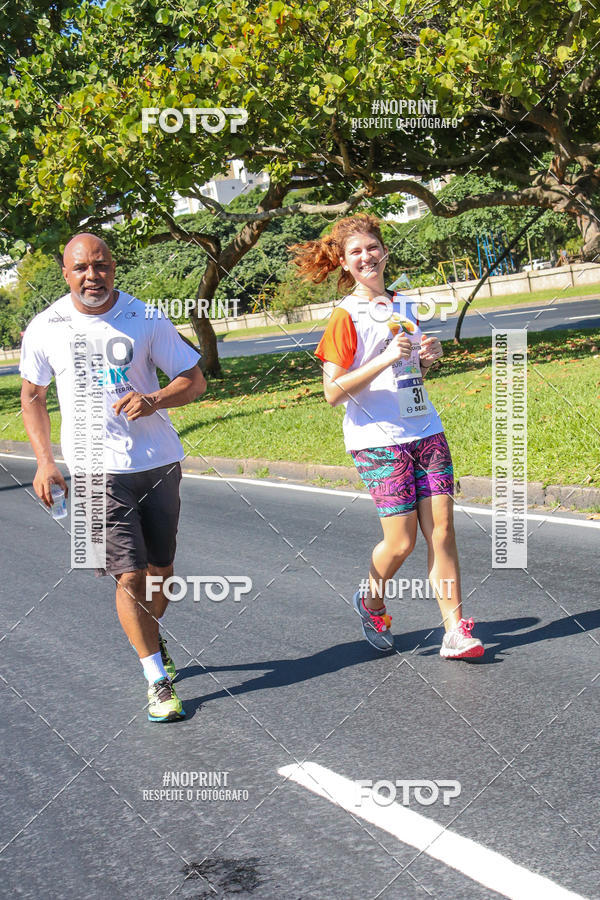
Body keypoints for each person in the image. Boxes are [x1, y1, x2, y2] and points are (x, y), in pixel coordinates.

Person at [20, 233, 207, 721]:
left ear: (114, 268)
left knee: (161, 574)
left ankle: (151, 638)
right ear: (66, 274)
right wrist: (45, 462)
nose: (91, 276)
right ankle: (156, 679)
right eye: (80, 268)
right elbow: (32, 397)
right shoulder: (45, 327)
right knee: (130, 574)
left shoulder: (145, 317)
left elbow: (194, 379)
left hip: (158, 461)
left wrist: (155, 399)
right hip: (92, 470)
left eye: (100, 266)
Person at [290, 214, 484, 659]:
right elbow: (332, 392)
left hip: (426, 430)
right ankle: (371, 598)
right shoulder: (345, 317)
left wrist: (428, 357)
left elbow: (408, 369)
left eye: (372, 248)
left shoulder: (405, 304)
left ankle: (455, 630)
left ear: (385, 252)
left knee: (443, 532)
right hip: (378, 442)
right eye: (355, 252)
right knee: (401, 542)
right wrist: (382, 357)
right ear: (343, 262)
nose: (366, 257)